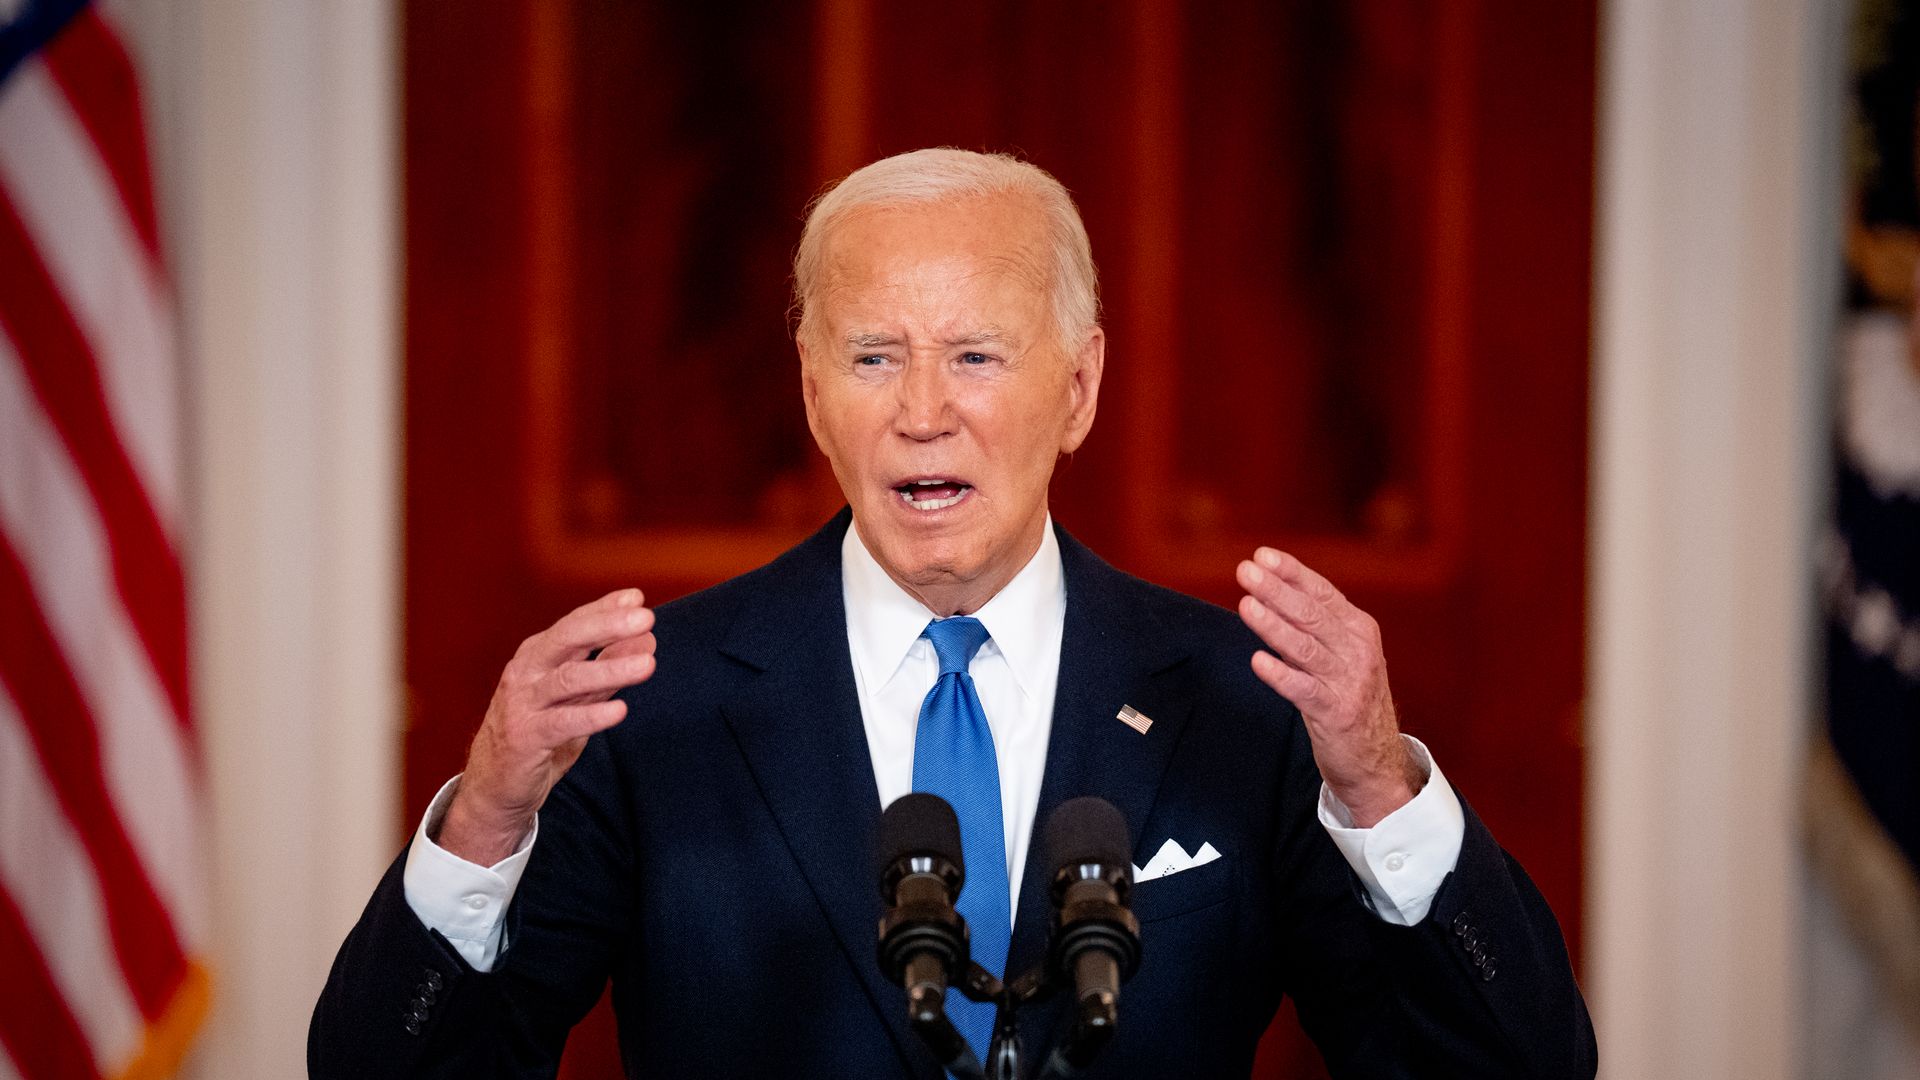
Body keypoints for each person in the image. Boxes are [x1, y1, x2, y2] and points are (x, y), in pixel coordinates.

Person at [310, 148, 1595, 1078]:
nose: (924, 411)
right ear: (815, 398)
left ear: (1079, 388)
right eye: (875, 357)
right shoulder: (653, 705)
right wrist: (483, 819)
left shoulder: (1236, 701)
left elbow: (1521, 1068)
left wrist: (1380, 787)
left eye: (977, 354)